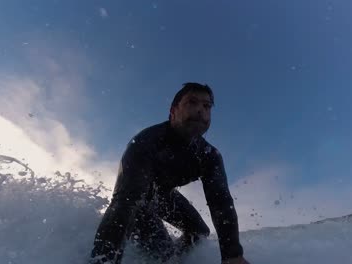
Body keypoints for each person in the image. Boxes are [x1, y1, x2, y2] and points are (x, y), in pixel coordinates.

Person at [89, 83, 250, 264]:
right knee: (161, 250)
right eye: (192, 102)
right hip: (137, 202)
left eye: (206, 106)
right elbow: (125, 202)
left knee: (199, 232)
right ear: (173, 111)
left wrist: (232, 255)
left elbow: (220, 203)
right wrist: (104, 260)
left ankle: (176, 259)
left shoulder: (209, 156)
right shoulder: (145, 143)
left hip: (164, 196)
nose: (200, 110)